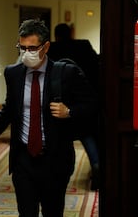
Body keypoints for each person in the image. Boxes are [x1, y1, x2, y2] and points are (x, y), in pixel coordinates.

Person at [0, 19, 97, 217]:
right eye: (22, 48)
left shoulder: (66, 73)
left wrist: (69, 112)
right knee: (26, 212)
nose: (26, 53)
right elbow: (9, 109)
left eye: (32, 48)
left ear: (46, 46)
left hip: (55, 159)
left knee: (52, 211)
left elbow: (92, 104)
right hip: (23, 159)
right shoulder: (13, 73)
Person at [47, 23, 100, 190]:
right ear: (71, 33)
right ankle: (97, 168)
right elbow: (96, 66)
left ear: (55, 36)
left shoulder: (51, 48)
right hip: (81, 97)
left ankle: (52, 176)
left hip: (57, 99)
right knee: (87, 135)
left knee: (56, 139)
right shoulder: (82, 45)